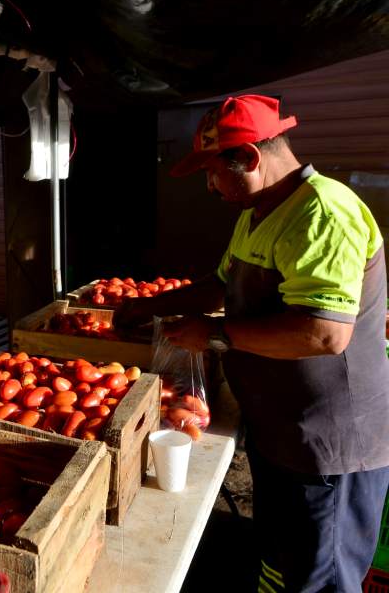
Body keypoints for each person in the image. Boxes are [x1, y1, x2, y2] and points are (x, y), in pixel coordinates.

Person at [115, 95, 389, 592]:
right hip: (280, 431)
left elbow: (325, 333)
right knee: (280, 563)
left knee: (319, 577)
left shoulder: (321, 214)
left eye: (214, 172)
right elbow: (219, 284)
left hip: (326, 445)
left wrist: (215, 334)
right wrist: (148, 307)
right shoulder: (258, 212)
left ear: (252, 158)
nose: (210, 185)